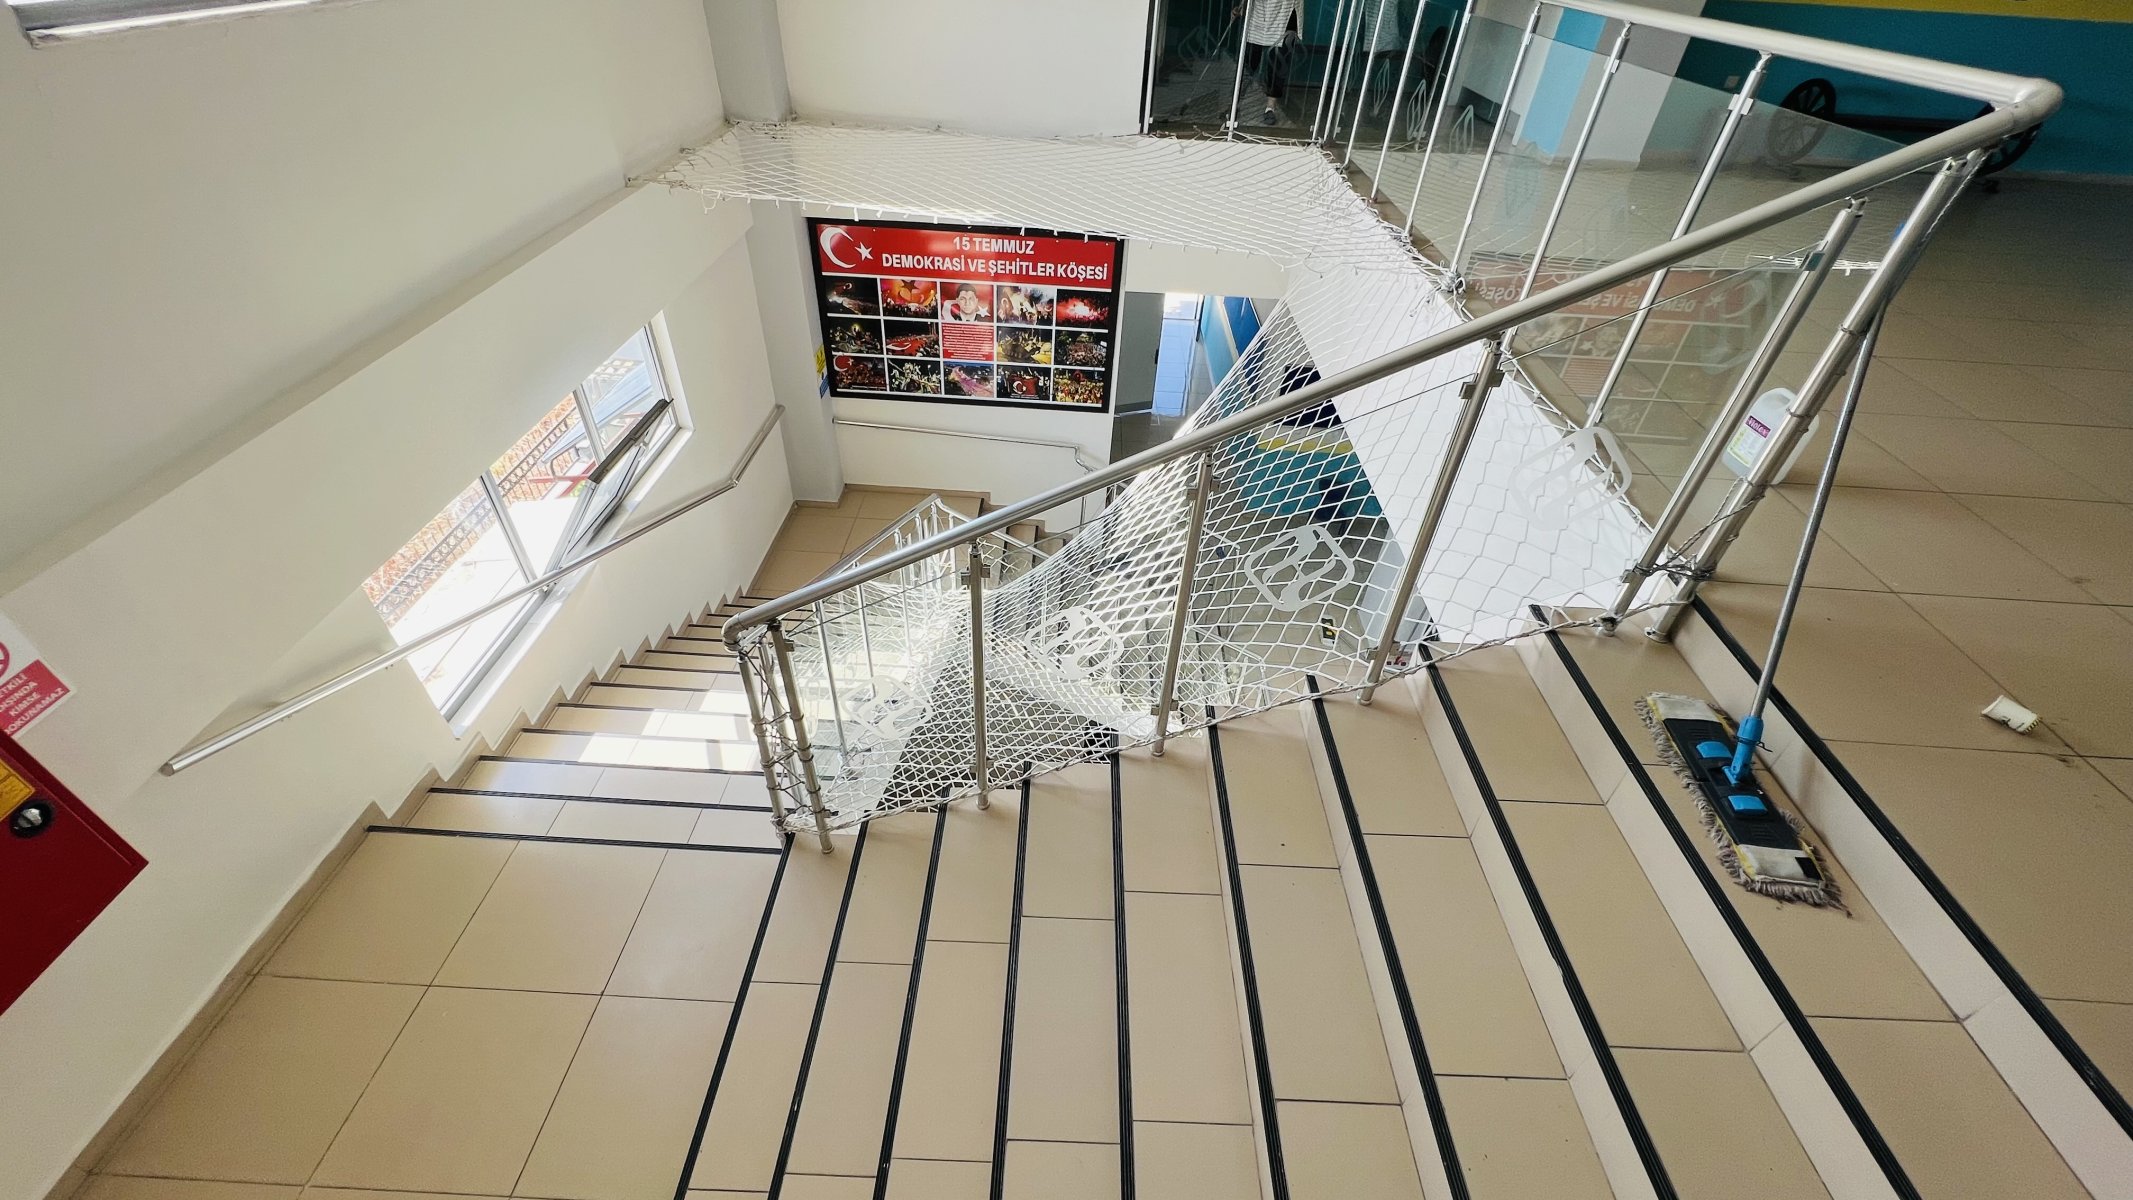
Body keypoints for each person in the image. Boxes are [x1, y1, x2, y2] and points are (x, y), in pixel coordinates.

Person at [1239, 0, 1299, 126]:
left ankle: (1270, 107)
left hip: (1286, 13)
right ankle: (1235, 103)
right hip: (1259, 13)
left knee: (1278, 64)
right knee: (1248, 63)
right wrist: (1242, 6)